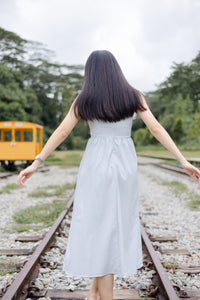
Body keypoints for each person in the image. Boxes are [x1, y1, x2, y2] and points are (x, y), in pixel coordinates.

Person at [17, 50, 200, 300]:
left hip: (96, 165)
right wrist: (183, 160)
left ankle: (105, 296)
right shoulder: (133, 95)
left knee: (98, 224)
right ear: (116, 69)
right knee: (112, 226)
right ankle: (94, 292)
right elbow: (155, 128)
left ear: (89, 72)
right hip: (124, 167)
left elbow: (62, 132)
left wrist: (36, 162)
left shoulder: (84, 99)